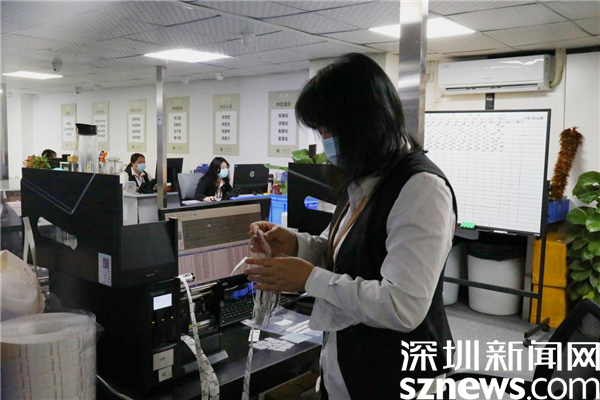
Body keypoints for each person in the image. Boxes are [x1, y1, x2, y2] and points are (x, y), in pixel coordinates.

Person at [244, 53, 457, 399]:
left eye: (328, 131)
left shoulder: (420, 189)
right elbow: (343, 250)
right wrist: (296, 244)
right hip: (350, 365)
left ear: (363, 123)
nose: (325, 142)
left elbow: (402, 306)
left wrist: (309, 279)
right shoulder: (364, 177)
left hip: (399, 378)